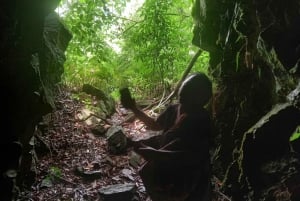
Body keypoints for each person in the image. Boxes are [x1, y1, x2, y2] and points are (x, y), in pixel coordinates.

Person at [120, 72, 213, 201]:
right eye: (183, 87)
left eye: (188, 89)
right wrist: (134, 108)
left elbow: (193, 156)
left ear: (201, 97)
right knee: (151, 177)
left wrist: (157, 154)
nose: (182, 90)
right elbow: (155, 125)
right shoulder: (174, 109)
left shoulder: (202, 119)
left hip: (189, 178)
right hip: (166, 169)